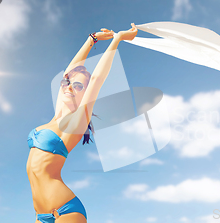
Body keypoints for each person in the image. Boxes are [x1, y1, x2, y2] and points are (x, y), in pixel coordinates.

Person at [26, 23, 138, 223]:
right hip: (40, 215)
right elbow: (69, 72)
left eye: (78, 86)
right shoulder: (57, 114)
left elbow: (96, 78)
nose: (69, 88)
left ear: (84, 94)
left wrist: (117, 39)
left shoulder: (77, 120)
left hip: (65, 211)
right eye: (67, 83)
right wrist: (91, 40)